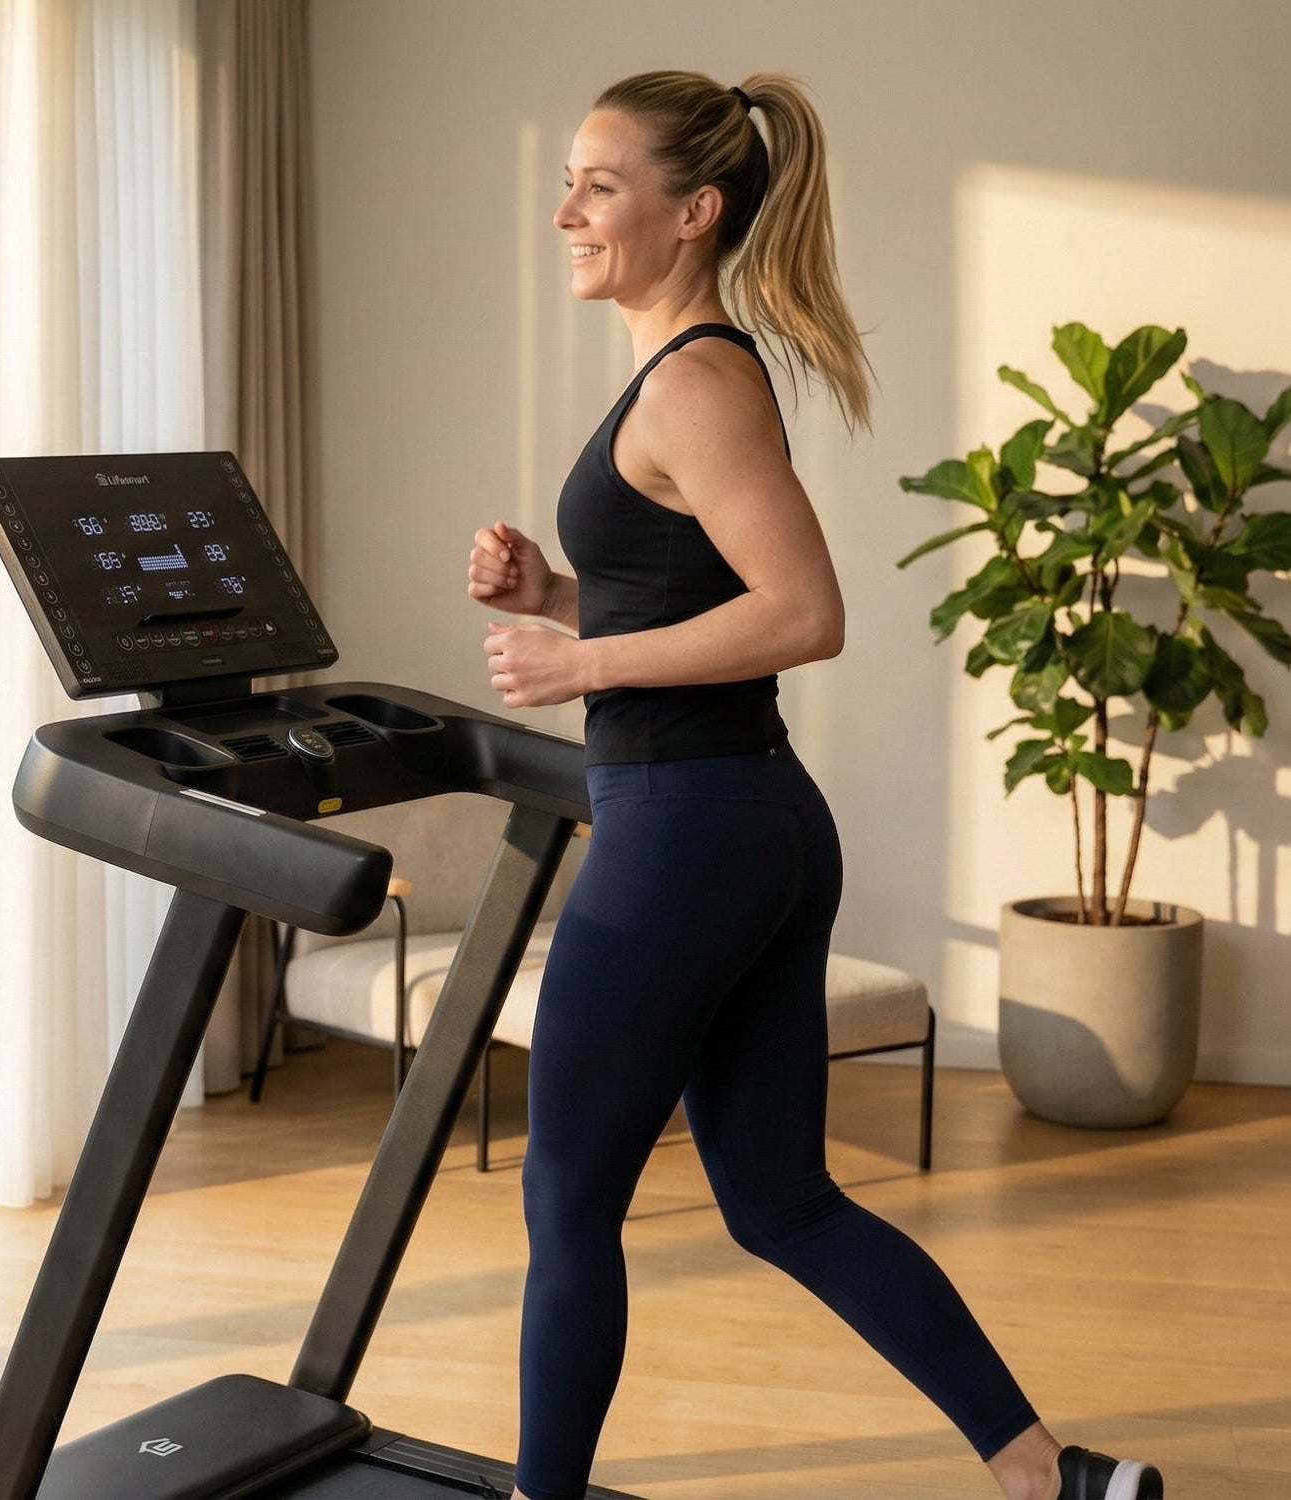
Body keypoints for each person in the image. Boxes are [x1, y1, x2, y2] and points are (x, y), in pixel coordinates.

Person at [466, 70, 1165, 1500]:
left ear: (693, 211)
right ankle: (1053, 1475)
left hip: (688, 830)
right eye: (574, 182)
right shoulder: (686, 371)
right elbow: (697, 588)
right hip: (743, 820)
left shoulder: (700, 378)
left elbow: (801, 614)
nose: (566, 211)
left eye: (600, 184)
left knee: (567, 1199)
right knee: (780, 1197)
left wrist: (585, 668)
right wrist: (567, 593)